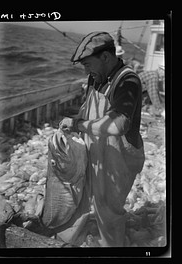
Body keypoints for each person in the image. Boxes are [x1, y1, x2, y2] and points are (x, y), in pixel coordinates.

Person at [59, 31, 145, 247]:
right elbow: (88, 108)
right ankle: (75, 239)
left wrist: (79, 125)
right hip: (97, 150)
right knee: (85, 196)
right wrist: (76, 119)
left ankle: (112, 248)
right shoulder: (95, 77)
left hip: (120, 157)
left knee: (108, 209)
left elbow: (119, 124)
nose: (85, 70)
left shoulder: (128, 80)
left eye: (88, 64)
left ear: (105, 57)